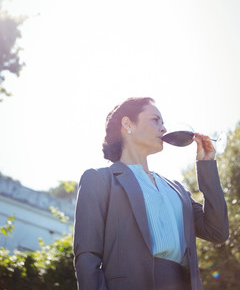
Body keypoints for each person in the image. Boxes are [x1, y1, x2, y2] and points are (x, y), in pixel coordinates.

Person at [73, 97, 229, 290]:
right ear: (127, 123)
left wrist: (206, 165)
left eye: (163, 123)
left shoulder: (176, 190)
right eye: (155, 120)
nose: (164, 129)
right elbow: (87, 257)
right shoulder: (99, 181)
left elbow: (218, 231)